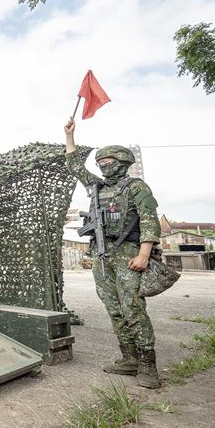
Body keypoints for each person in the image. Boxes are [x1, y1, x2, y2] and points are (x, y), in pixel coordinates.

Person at [64, 118, 162, 388]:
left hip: (129, 253)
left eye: (108, 162)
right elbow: (74, 166)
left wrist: (144, 254)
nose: (104, 167)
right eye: (100, 163)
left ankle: (147, 365)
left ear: (122, 162)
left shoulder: (136, 187)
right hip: (102, 256)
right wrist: (70, 136)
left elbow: (149, 221)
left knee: (133, 308)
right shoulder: (98, 188)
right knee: (114, 308)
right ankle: (129, 359)